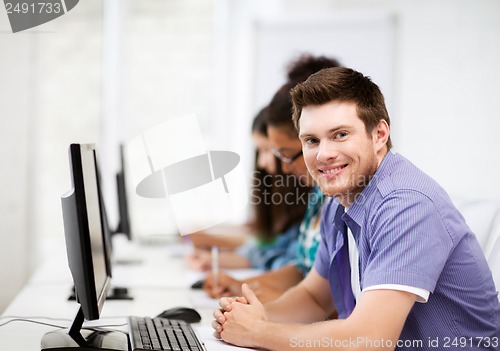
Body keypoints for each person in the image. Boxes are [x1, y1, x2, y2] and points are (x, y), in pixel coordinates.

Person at [211, 67, 500, 350]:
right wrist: (251, 317)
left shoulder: (407, 204)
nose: (324, 154)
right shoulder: (339, 201)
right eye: (311, 140)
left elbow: (370, 340)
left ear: (379, 135)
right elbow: (313, 297)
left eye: (340, 135)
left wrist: (260, 332)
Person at [203, 54, 341, 302]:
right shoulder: (321, 195)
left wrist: (258, 311)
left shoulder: (357, 201)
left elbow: (330, 301)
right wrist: (243, 289)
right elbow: (303, 274)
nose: (275, 166)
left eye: (281, 154)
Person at [187, 106, 310, 272]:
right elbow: (264, 243)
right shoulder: (291, 201)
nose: (262, 163)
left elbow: (287, 262)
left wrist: (216, 251)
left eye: (267, 150)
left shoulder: (312, 200)